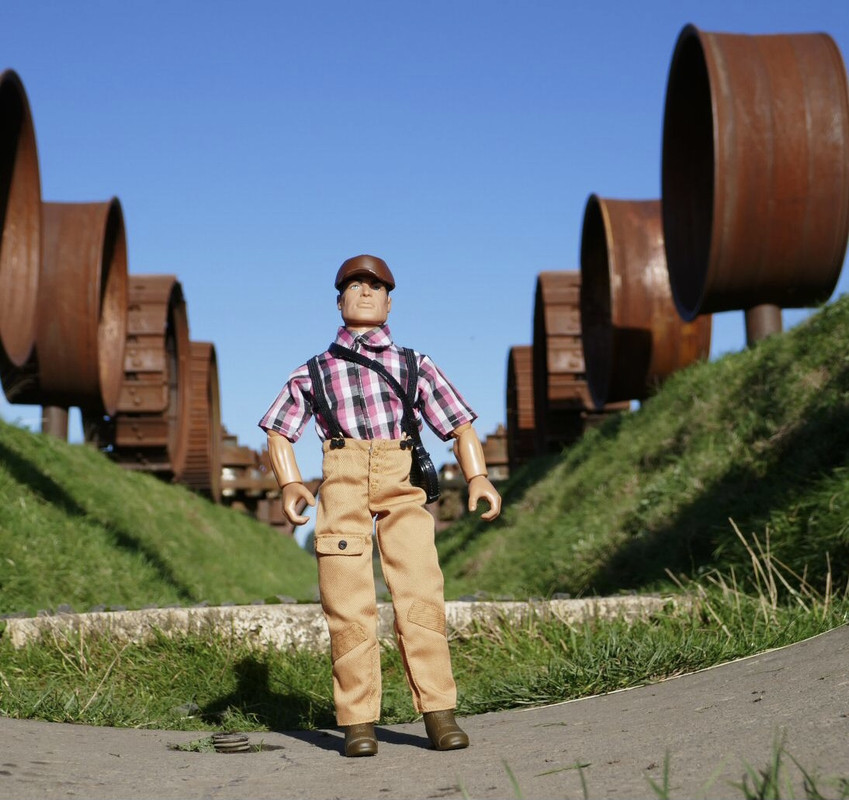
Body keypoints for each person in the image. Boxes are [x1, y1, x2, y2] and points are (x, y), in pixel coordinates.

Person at [259, 254, 502, 757]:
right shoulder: (314, 371)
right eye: (354, 285)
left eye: (376, 285)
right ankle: (358, 722)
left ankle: (439, 713)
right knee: (347, 605)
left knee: (420, 595)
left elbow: (459, 424)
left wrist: (477, 475)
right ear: (339, 299)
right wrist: (288, 483)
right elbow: (279, 431)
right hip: (341, 485)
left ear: (390, 300)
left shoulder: (414, 364)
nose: (365, 292)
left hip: (402, 482)